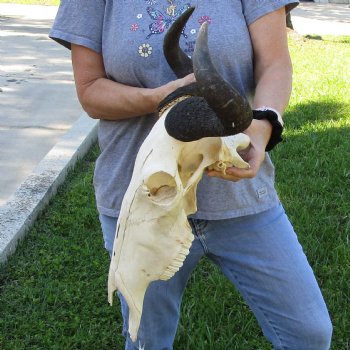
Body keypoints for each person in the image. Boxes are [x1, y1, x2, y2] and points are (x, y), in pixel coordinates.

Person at [50, 1, 332, 349]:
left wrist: (263, 125)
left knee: (309, 333)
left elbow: (274, 63)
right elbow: (91, 91)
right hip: (145, 198)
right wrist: (161, 98)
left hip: (238, 192)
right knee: (146, 341)